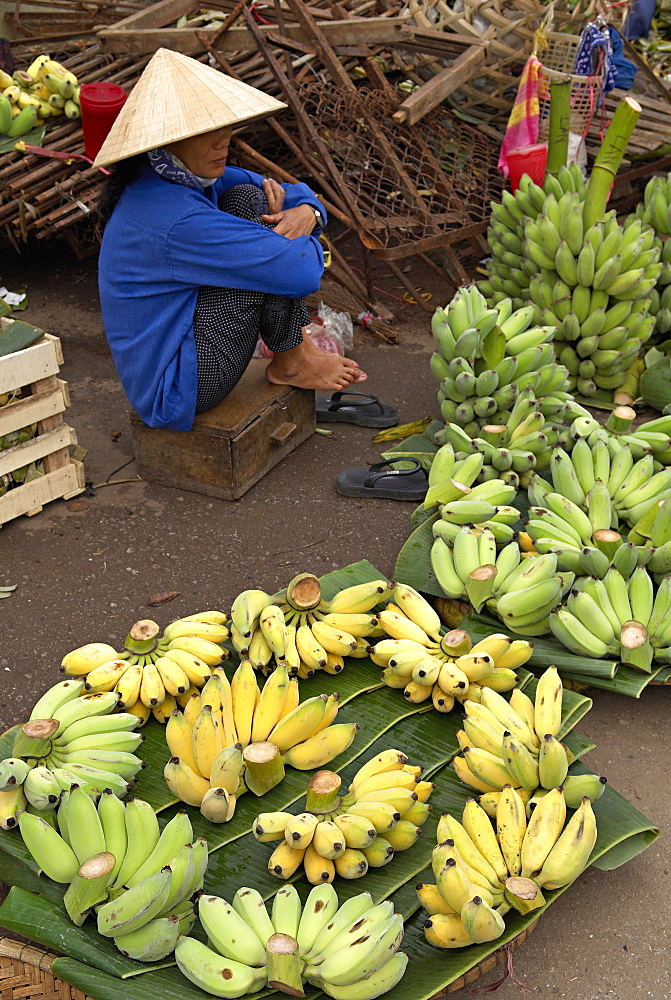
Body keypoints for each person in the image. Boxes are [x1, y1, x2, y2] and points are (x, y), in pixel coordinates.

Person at [94, 47, 366, 432]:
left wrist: (309, 213)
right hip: (179, 387)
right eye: (206, 132)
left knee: (246, 200)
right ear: (168, 139)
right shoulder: (173, 216)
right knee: (267, 260)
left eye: (225, 126)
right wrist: (291, 237)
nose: (223, 141)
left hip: (191, 333)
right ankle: (293, 362)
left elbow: (290, 191)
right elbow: (302, 274)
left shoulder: (179, 172)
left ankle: (293, 358)